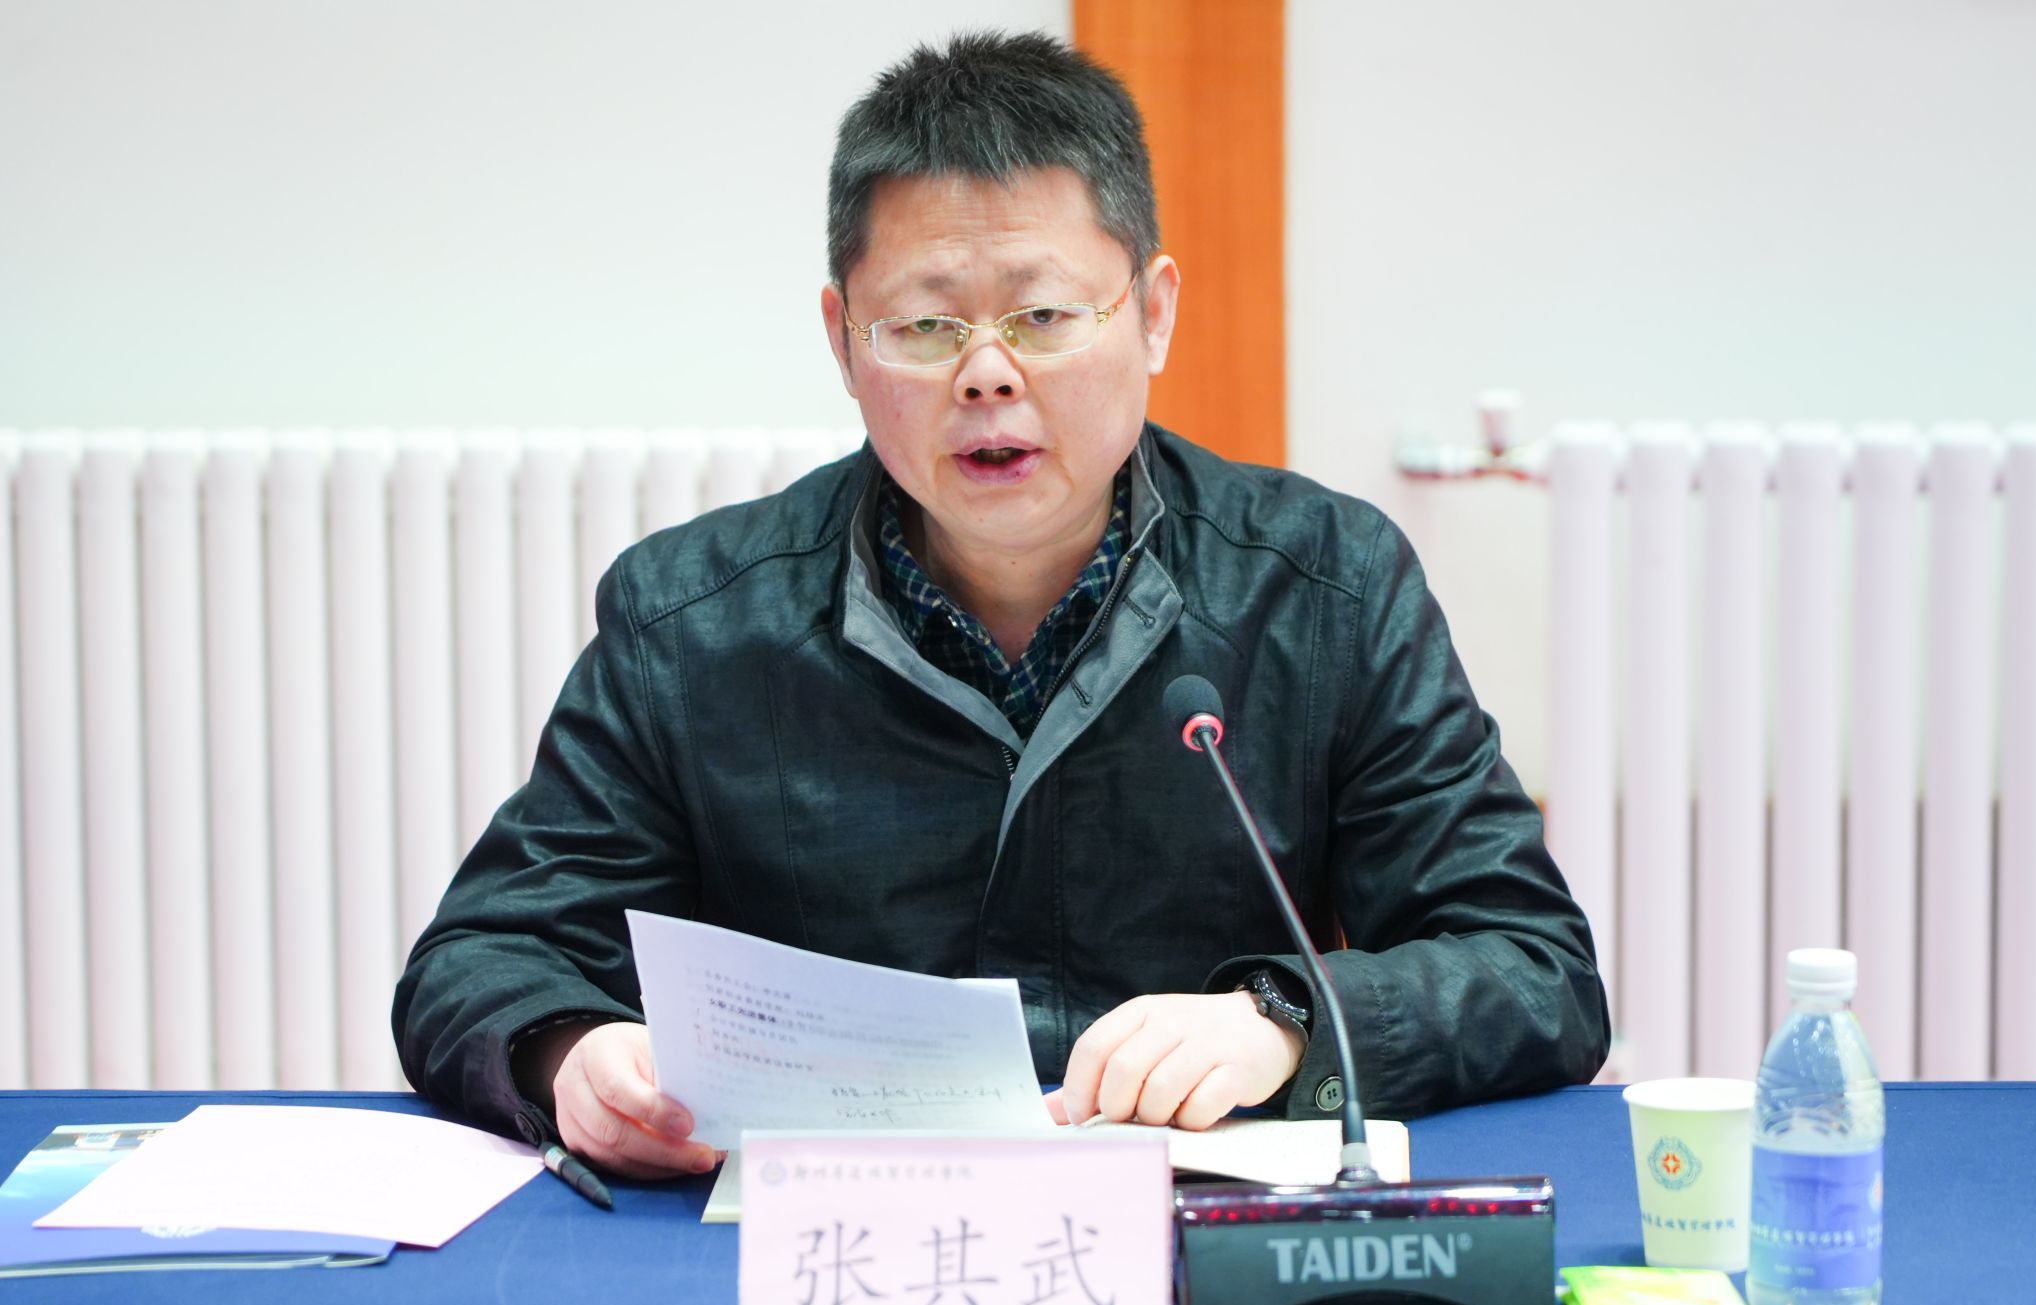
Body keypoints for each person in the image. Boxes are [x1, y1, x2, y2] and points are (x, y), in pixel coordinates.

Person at [393, 31, 1609, 1180]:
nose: (985, 372)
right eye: (925, 325)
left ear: (1153, 314)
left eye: (1042, 316)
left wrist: (1282, 1021)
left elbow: (1531, 966)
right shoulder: (689, 621)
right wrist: (568, 1055)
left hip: (1183, 1237)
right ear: (842, 339)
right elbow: (486, 956)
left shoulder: (1323, 587)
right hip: (816, 1244)